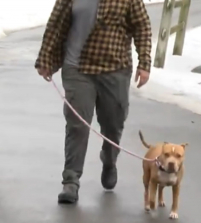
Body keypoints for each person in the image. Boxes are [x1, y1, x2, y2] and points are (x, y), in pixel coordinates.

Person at [35, 0, 152, 204]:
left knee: (113, 124)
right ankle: (70, 181)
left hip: (115, 70)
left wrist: (145, 63)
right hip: (77, 69)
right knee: (77, 125)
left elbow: (142, 27)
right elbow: (55, 26)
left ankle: (109, 160)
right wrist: (45, 59)